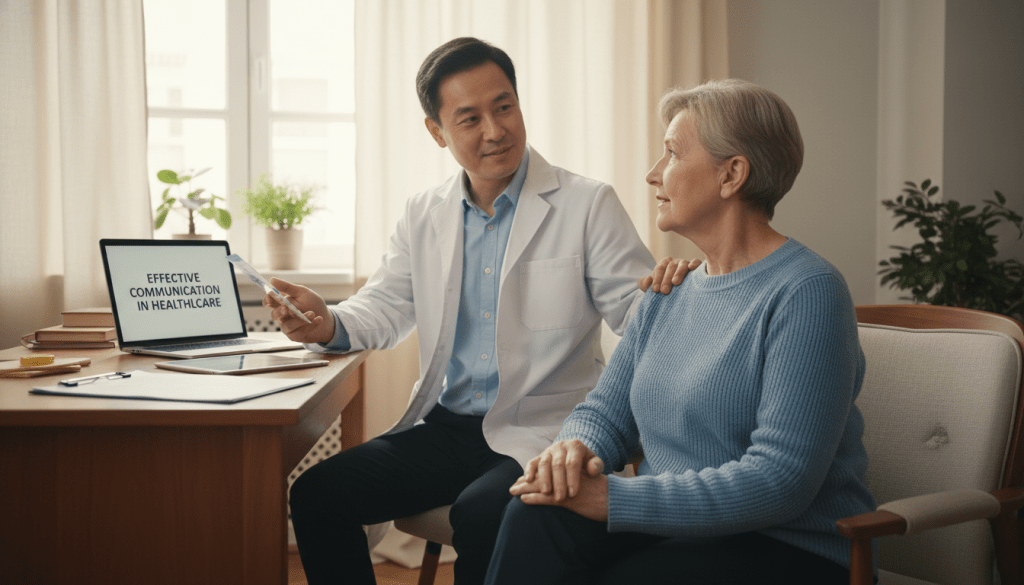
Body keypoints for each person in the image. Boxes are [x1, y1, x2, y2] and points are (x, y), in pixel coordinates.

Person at [265, 37, 667, 585]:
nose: (495, 130)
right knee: (317, 494)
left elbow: (638, 316)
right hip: (446, 428)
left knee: (483, 515)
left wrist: (682, 295)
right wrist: (328, 323)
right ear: (437, 131)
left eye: (504, 107)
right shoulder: (422, 213)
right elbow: (385, 305)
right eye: (470, 117)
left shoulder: (587, 203)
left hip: (542, 427)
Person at [483, 79, 876, 584]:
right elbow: (605, 413)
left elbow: (781, 480)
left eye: (670, 153)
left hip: (786, 548)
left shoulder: (808, 292)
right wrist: (573, 449)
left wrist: (613, 497)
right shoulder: (670, 291)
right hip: (675, 532)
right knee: (535, 514)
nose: (652, 174)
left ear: (731, 174)